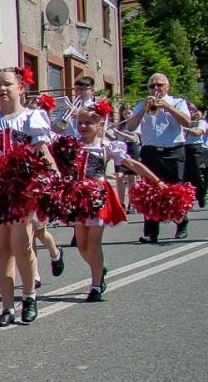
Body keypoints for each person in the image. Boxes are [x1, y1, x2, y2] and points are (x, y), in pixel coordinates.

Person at [0, 66, 59, 325]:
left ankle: (29, 296)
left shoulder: (32, 117)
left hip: (23, 189)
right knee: (2, 249)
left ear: (21, 88)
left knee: (22, 246)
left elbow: (42, 152)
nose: (2, 89)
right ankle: (7, 307)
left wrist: (54, 177)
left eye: (7, 84)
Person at [69, 103, 160, 302]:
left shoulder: (106, 146)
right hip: (78, 197)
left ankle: (95, 285)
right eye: (80, 122)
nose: (83, 126)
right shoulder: (72, 144)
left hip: (97, 196)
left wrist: (156, 180)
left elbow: (132, 163)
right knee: (81, 245)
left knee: (93, 243)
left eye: (88, 123)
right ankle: (99, 268)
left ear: (100, 124)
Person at [123, 73, 193, 242]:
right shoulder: (142, 104)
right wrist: (144, 109)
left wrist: (168, 107)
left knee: (175, 190)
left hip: (173, 150)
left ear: (167, 87)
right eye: (152, 86)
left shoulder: (178, 102)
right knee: (149, 190)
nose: (156, 89)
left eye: (159, 85)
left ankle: (181, 222)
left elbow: (187, 122)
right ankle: (151, 232)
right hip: (150, 151)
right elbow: (130, 127)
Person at [184, 104, 208, 209]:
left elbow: (198, 132)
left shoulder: (201, 122)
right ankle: (186, 200)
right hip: (182, 148)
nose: (191, 112)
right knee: (184, 176)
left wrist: (185, 129)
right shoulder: (179, 120)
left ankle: (201, 194)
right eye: (189, 110)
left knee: (197, 174)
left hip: (196, 148)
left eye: (193, 110)